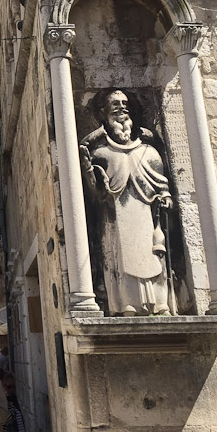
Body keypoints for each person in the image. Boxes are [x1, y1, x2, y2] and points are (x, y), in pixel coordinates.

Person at [80, 89, 173, 316]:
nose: (121, 108)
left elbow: (161, 183)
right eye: (114, 104)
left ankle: (161, 303)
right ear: (104, 113)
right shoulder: (102, 153)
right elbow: (97, 193)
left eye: (124, 103)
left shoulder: (149, 151)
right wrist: (88, 170)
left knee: (154, 255)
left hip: (146, 214)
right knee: (120, 259)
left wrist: (166, 197)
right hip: (115, 218)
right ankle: (125, 304)